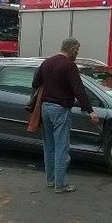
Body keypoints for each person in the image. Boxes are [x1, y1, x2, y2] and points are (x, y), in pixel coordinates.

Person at [31, 38, 99, 193]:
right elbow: (79, 90)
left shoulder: (47, 62)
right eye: (77, 50)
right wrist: (90, 111)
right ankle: (60, 184)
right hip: (60, 109)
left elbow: (35, 83)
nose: (77, 53)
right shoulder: (69, 66)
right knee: (62, 147)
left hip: (45, 108)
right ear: (72, 48)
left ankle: (51, 180)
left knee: (49, 146)